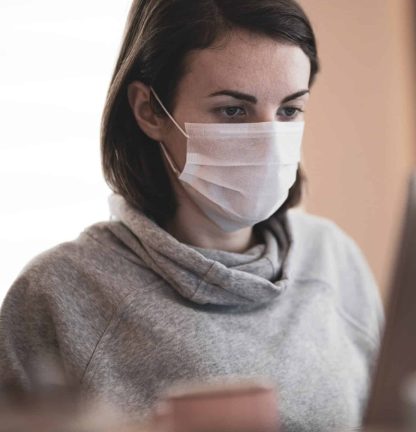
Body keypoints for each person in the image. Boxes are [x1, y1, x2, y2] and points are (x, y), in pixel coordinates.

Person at [0, 1, 384, 431]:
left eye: (289, 110)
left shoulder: (333, 258)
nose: (269, 142)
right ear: (149, 110)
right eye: (233, 111)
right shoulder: (58, 293)